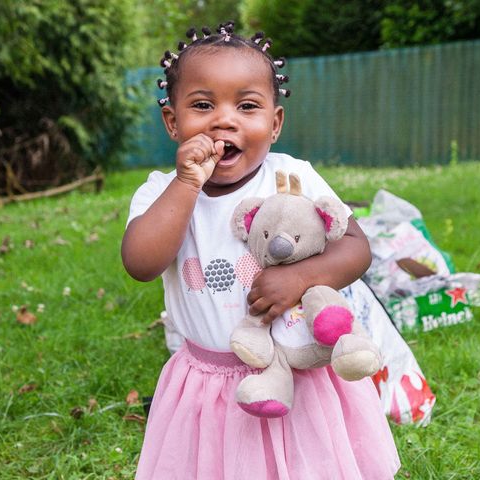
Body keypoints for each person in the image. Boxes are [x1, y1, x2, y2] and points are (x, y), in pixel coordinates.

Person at [122, 22, 400, 479]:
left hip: (301, 375)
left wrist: (301, 279)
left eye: (246, 106)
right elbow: (140, 264)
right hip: (208, 383)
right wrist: (187, 183)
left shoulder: (292, 177)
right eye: (202, 105)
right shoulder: (161, 193)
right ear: (173, 122)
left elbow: (356, 248)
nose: (224, 120)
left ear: (274, 123)